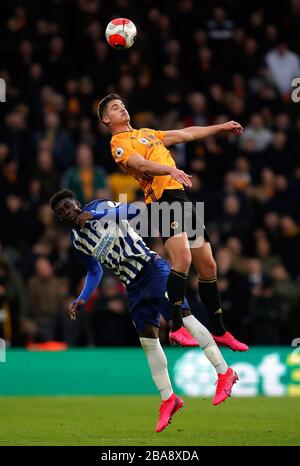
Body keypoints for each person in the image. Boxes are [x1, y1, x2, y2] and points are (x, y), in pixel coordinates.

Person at [50, 189, 239, 433]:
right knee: (149, 341)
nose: (66, 211)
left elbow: (135, 209)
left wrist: (95, 215)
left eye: (67, 205)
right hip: (132, 286)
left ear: (76, 202)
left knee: (184, 317)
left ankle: (225, 372)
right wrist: (82, 298)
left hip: (152, 269)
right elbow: (95, 270)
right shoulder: (78, 241)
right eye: (61, 211)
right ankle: (169, 398)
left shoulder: (99, 206)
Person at [97, 93, 248, 351]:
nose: (121, 108)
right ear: (106, 119)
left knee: (209, 266)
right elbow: (140, 163)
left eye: (121, 104)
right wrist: (169, 169)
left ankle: (220, 331)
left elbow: (185, 134)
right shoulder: (118, 143)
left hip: (180, 197)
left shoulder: (146, 133)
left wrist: (220, 128)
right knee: (183, 260)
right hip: (161, 200)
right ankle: (176, 327)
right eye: (114, 107)